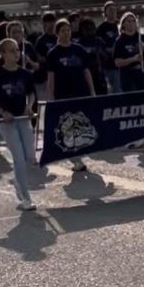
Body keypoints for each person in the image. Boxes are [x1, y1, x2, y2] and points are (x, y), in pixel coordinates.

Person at [0, 38, 37, 211]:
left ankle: (16, 180)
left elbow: (31, 94)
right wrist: (2, 112)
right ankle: (25, 197)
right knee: (19, 159)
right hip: (8, 123)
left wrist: (29, 107)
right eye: (12, 50)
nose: (17, 53)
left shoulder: (25, 74)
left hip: (23, 120)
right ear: (3, 54)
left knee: (30, 157)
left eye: (17, 50)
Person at [46, 19, 95, 172]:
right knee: (68, 125)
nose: (66, 33)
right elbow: (51, 77)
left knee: (82, 122)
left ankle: (81, 149)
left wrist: (92, 90)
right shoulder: (53, 53)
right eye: (62, 31)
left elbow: (86, 71)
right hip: (63, 93)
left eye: (68, 30)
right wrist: (51, 96)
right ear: (57, 33)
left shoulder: (79, 49)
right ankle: (75, 159)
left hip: (81, 91)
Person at [114, 12, 144, 93]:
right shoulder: (120, 41)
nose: (131, 23)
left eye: (133, 21)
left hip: (142, 74)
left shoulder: (142, 38)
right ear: (123, 24)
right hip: (127, 76)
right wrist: (133, 59)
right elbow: (117, 62)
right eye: (128, 21)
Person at [75, 18, 108, 96]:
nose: (89, 30)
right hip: (85, 78)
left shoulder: (99, 41)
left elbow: (105, 57)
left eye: (91, 27)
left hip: (100, 77)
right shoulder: (78, 44)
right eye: (86, 28)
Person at [96, 1, 120, 93]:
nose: (113, 12)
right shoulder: (101, 28)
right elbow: (100, 47)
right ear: (105, 12)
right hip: (108, 66)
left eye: (114, 10)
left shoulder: (120, 26)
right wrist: (110, 50)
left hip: (121, 64)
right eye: (110, 10)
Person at [34, 13, 58, 101]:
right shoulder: (41, 40)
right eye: (48, 22)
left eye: (52, 22)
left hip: (58, 76)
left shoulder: (58, 37)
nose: (51, 25)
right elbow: (38, 57)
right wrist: (50, 58)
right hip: (45, 76)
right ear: (44, 24)